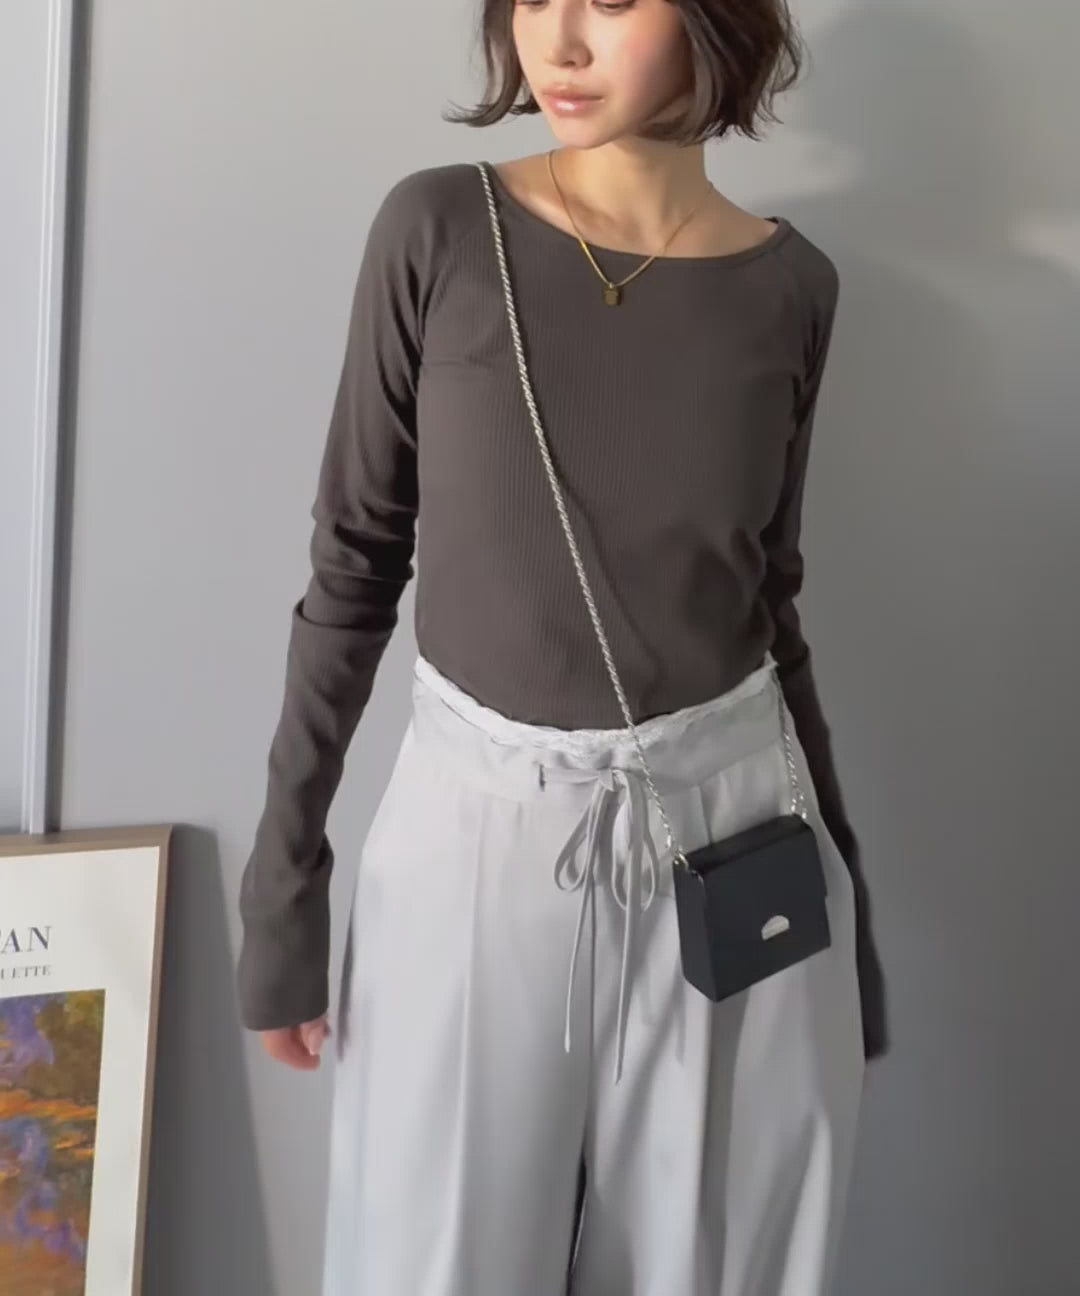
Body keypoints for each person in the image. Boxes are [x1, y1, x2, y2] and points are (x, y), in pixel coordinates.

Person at [237, 0, 888, 1291]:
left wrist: (844, 903)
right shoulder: (438, 228)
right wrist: (282, 890)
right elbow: (353, 570)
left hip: (737, 838)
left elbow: (769, 602)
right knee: (433, 1261)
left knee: (717, 1264)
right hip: (475, 840)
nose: (561, 45)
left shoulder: (793, 288)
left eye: (614, 1)